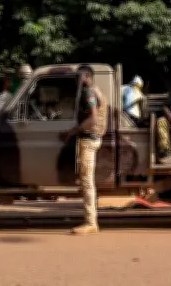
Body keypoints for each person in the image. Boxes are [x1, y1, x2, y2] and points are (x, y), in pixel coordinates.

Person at [61, 65, 107, 236]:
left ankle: (91, 222)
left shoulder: (88, 91)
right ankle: (90, 220)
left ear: (87, 76)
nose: (76, 79)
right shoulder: (97, 90)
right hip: (93, 139)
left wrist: (71, 132)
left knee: (87, 182)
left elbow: (93, 118)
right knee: (87, 182)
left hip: (89, 140)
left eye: (78, 76)